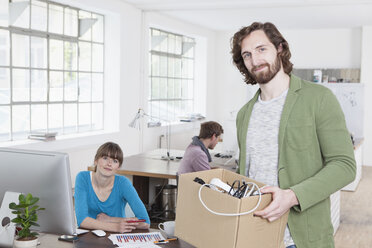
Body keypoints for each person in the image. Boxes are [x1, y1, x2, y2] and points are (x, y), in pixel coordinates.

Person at [231, 22, 356, 248]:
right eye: (247, 54)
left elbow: (345, 166)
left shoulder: (319, 98)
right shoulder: (244, 114)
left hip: (301, 240)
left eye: (262, 49)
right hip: (254, 237)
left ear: (279, 48)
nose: (255, 60)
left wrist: (292, 196)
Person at [74, 142, 150, 233]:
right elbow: (82, 220)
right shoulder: (82, 178)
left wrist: (110, 219)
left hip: (117, 236)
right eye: (105, 158)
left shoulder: (123, 183)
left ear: (118, 167)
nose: (109, 164)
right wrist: (115, 227)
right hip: (89, 235)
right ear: (96, 160)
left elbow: (145, 222)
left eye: (115, 161)